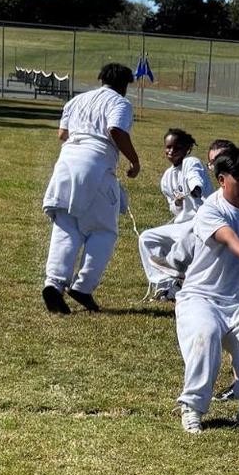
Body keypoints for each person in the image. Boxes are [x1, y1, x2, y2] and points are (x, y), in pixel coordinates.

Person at [174, 146, 239, 437]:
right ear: (221, 179)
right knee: (206, 332)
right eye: (238, 178)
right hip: (199, 298)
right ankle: (192, 406)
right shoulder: (210, 210)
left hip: (238, 304)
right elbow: (228, 238)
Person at [41, 63, 141, 314]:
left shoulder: (76, 100)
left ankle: (54, 283)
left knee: (66, 226)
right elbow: (115, 129)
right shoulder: (120, 102)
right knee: (103, 231)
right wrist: (134, 160)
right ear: (124, 84)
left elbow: (62, 133)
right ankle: (83, 286)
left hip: (65, 165)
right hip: (95, 167)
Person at [138, 127, 212, 302]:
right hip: (182, 224)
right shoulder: (166, 178)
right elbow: (175, 210)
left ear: (187, 149)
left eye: (176, 148)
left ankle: (182, 282)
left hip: (202, 221)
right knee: (146, 238)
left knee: (187, 238)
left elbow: (195, 178)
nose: (171, 151)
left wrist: (196, 189)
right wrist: (177, 203)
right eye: (168, 147)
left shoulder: (190, 162)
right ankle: (164, 284)